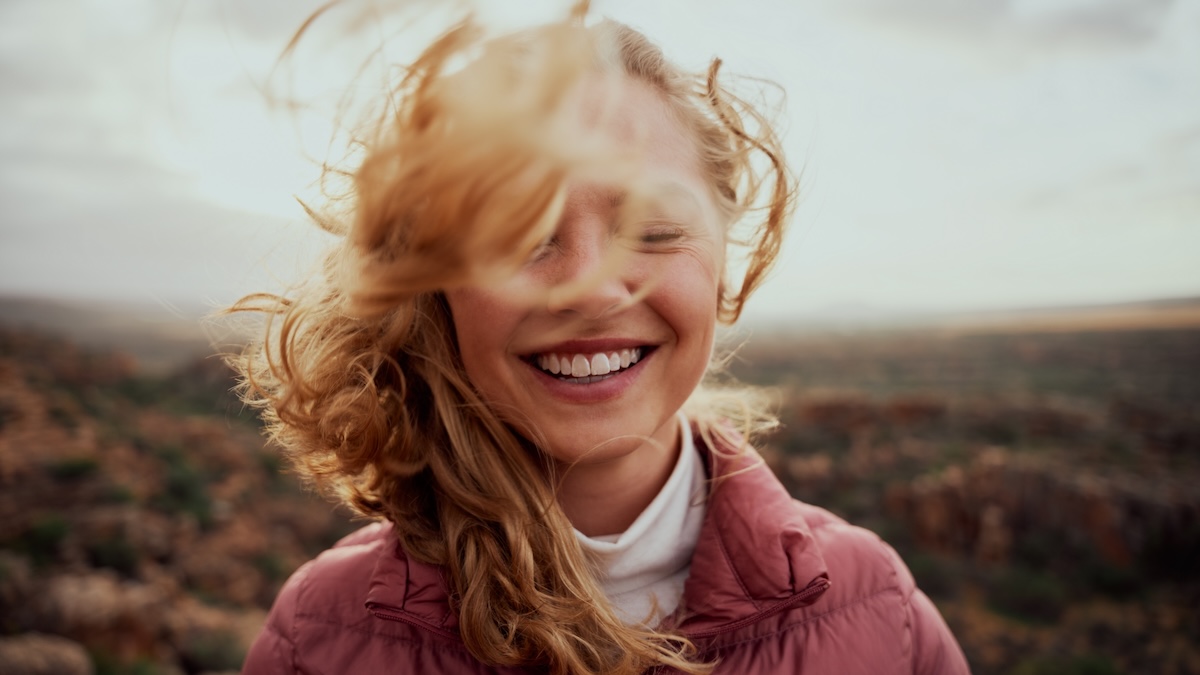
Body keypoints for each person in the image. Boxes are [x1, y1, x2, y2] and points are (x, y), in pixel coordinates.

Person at [235, 4, 970, 674]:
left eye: (654, 229)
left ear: (723, 265)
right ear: (436, 284)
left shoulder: (879, 617)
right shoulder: (322, 637)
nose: (588, 285)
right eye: (521, 234)